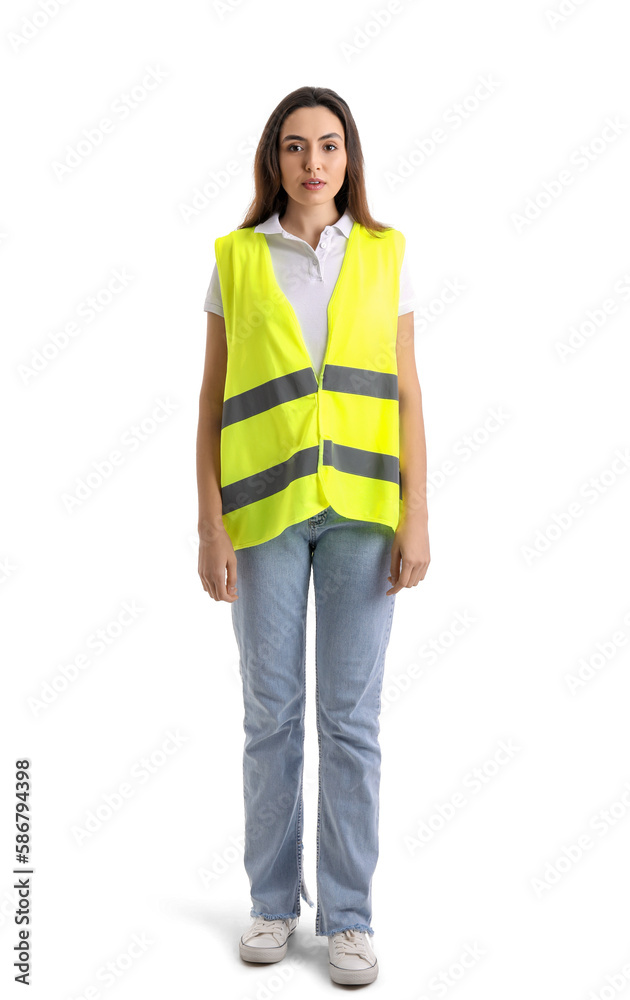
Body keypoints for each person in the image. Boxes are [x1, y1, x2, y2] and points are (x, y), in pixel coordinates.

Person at [196, 85, 430, 986]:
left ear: (349, 158)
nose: (313, 163)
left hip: (366, 511)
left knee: (350, 722)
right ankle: (267, 903)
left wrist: (418, 512)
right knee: (272, 717)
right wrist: (210, 523)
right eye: (295, 147)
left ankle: (348, 918)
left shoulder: (384, 253)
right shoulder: (235, 258)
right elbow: (214, 399)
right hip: (262, 514)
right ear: (274, 160)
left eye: (328, 146)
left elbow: (408, 392)